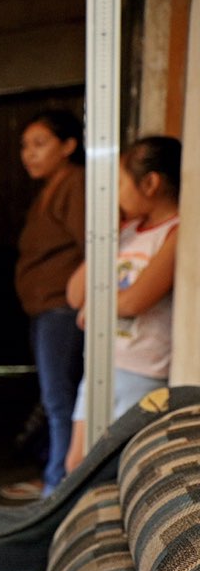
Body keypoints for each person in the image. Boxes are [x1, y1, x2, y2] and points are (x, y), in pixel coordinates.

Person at [64, 136, 181, 472]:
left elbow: (134, 301)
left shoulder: (175, 232)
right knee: (77, 465)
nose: (112, 193)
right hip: (102, 362)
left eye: (118, 183)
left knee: (119, 468)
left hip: (143, 372)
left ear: (151, 183)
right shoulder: (126, 232)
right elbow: (74, 295)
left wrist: (96, 306)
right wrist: (108, 235)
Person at [6, 109, 86, 499]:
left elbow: (95, 247)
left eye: (40, 144)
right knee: (55, 396)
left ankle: (58, 484)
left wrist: (87, 296)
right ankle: (54, 473)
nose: (29, 154)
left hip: (62, 310)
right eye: (25, 146)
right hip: (47, 310)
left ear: (69, 146)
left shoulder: (77, 183)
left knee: (59, 398)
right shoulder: (52, 187)